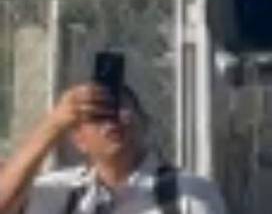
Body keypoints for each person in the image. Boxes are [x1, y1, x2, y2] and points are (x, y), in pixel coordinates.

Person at [0, 83, 227, 214]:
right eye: (96, 116)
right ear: (79, 140)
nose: (110, 122)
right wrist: (54, 124)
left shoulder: (187, 193)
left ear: (143, 122)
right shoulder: (62, 192)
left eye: (119, 109)